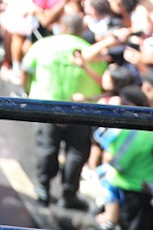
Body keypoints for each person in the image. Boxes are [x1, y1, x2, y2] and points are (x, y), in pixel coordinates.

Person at [21, 12, 99, 209]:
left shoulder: (44, 45)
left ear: (61, 27)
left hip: (48, 106)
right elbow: (103, 81)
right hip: (81, 110)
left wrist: (29, 92)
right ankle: (68, 194)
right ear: (81, 30)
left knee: (47, 147)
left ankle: (43, 188)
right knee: (77, 152)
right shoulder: (90, 51)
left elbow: (25, 70)